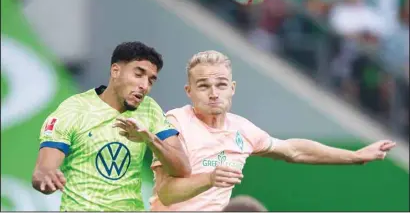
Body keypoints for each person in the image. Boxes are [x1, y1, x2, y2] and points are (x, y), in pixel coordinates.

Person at [128, 50, 394, 211]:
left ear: (232, 88)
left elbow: (294, 151)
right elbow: (166, 193)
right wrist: (210, 178)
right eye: (203, 85)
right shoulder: (174, 123)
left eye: (220, 85)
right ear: (189, 91)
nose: (213, 93)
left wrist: (356, 156)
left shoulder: (242, 130)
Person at [32, 41, 191, 211]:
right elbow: (43, 171)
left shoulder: (149, 109)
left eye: (151, 81)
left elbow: (183, 169)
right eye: (138, 75)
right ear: (116, 71)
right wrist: (46, 176)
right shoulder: (73, 110)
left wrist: (150, 140)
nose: (144, 86)